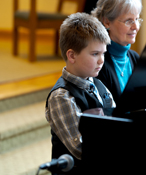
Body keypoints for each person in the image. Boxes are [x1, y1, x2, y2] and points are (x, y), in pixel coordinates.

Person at [45, 12, 116, 173]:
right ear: (72, 55)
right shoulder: (62, 96)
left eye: (103, 53)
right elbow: (80, 148)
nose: (101, 60)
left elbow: (116, 124)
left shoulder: (99, 85)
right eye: (94, 54)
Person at [91, 0, 143, 103]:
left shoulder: (134, 57)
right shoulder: (99, 63)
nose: (136, 27)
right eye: (129, 21)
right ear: (107, 22)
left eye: (137, 19)